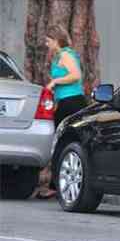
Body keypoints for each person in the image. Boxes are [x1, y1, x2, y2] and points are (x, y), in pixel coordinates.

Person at [35, 25, 88, 199]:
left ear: (56, 40)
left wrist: (56, 81)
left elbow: (76, 75)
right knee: (60, 142)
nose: (46, 43)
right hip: (63, 102)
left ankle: (56, 186)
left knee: (64, 142)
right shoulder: (59, 55)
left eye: (48, 40)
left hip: (73, 102)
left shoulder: (66, 54)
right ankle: (56, 184)